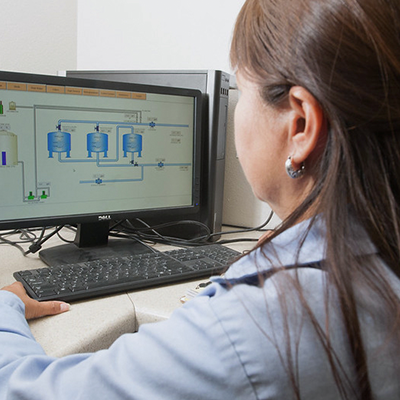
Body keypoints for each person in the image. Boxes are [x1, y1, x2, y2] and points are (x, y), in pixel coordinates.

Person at [1, 0, 400, 398]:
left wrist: (4, 308)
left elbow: (26, 391)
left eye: (243, 92)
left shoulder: (254, 323)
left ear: (300, 124)